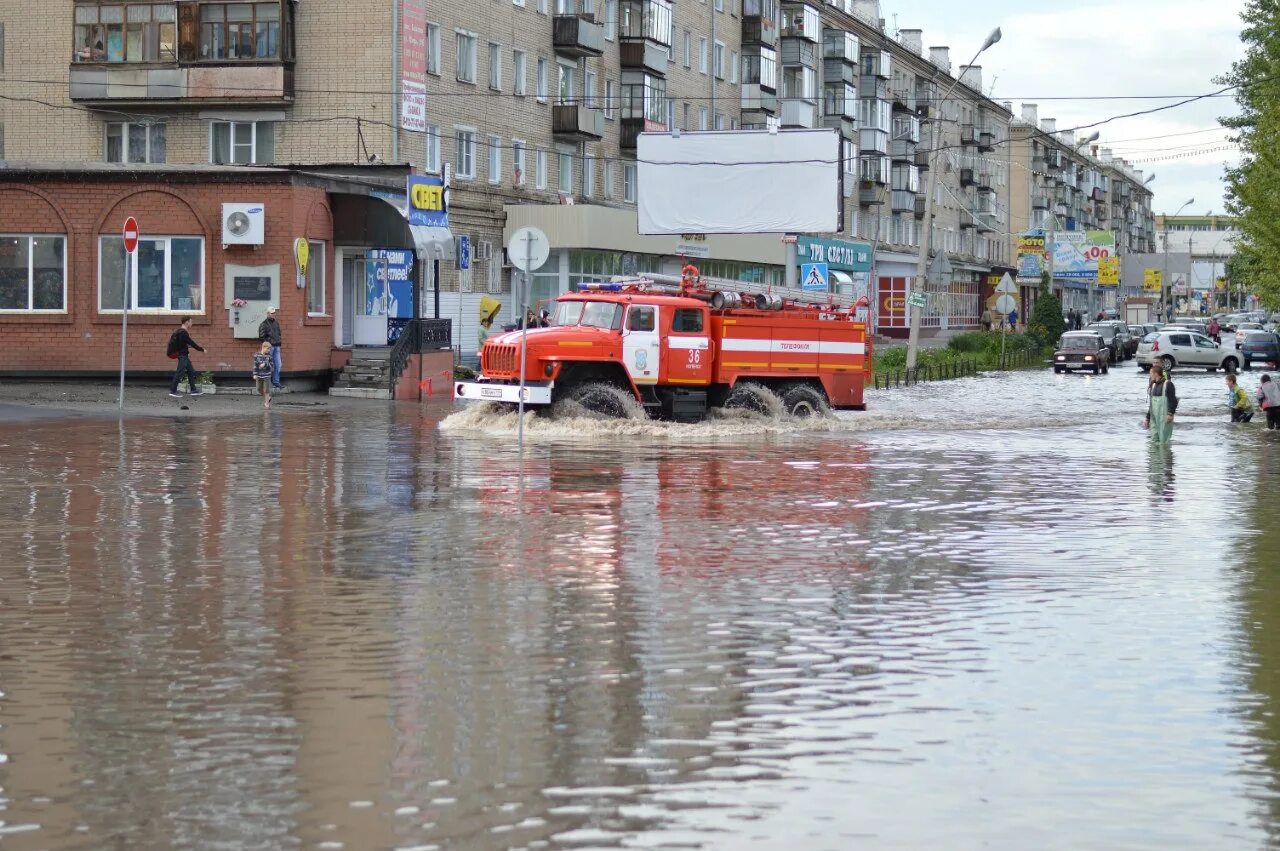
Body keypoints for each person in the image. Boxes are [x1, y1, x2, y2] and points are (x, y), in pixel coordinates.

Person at [168, 317, 205, 398]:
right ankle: (173, 391)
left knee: (191, 371)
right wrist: (201, 349)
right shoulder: (183, 332)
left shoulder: (180, 331)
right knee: (180, 372)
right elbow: (190, 343)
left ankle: (193, 390)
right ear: (186, 322)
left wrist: (186, 348)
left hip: (183, 355)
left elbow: (184, 343)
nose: (192, 323)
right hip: (183, 355)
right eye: (191, 321)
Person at [1144, 363, 1178, 443]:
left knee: (1164, 441)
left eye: (1151, 374)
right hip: (1154, 418)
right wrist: (1147, 418)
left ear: (1156, 374)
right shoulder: (1153, 386)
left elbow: (1173, 400)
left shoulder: (1168, 384)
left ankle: (1165, 455)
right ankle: (1154, 455)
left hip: (1164, 417)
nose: (1150, 376)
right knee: (1154, 440)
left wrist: (1170, 414)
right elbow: (1151, 405)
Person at [258, 306, 284, 390]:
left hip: (277, 346)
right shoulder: (263, 324)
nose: (273, 314)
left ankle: (276, 382)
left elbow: (279, 333)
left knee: (278, 365)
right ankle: (267, 383)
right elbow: (261, 337)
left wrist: (279, 342)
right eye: (271, 313)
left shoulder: (276, 323)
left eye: (274, 313)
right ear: (267, 313)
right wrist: (268, 344)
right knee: (267, 365)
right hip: (270, 347)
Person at [252, 341, 274, 409]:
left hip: (267, 376)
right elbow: (255, 365)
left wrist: (265, 364)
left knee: (266, 390)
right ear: (263, 347)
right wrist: (255, 374)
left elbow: (272, 367)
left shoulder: (269, 356)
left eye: (269, 349)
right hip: (259, 375)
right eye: (268, 349)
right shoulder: (256, 355)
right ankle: (268, 398)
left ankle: (267, 403)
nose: (269, 350)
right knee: (258, 389)